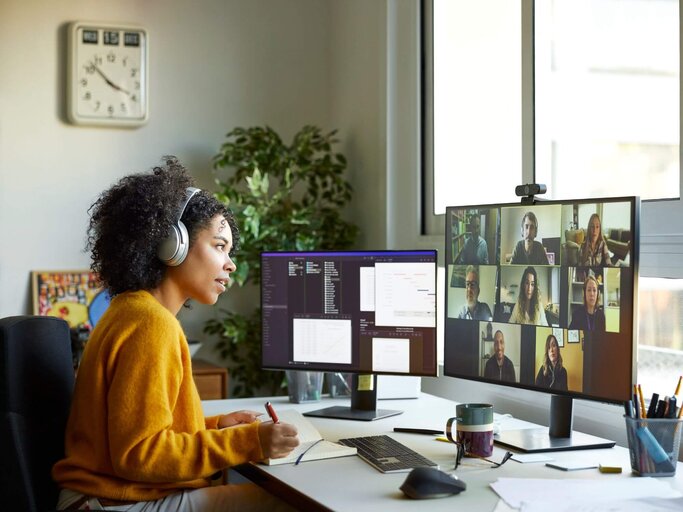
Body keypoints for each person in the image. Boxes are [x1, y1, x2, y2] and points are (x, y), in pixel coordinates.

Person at [53, 157, 299, 511]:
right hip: (110, 503)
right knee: (290, 505)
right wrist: (248, 442)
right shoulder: (150, 325)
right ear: (173, 244)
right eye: (219, 246)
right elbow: (140, 454)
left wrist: (215, 427)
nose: (230, 264)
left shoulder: (131, 310)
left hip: (101, 498)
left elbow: (140, 432)